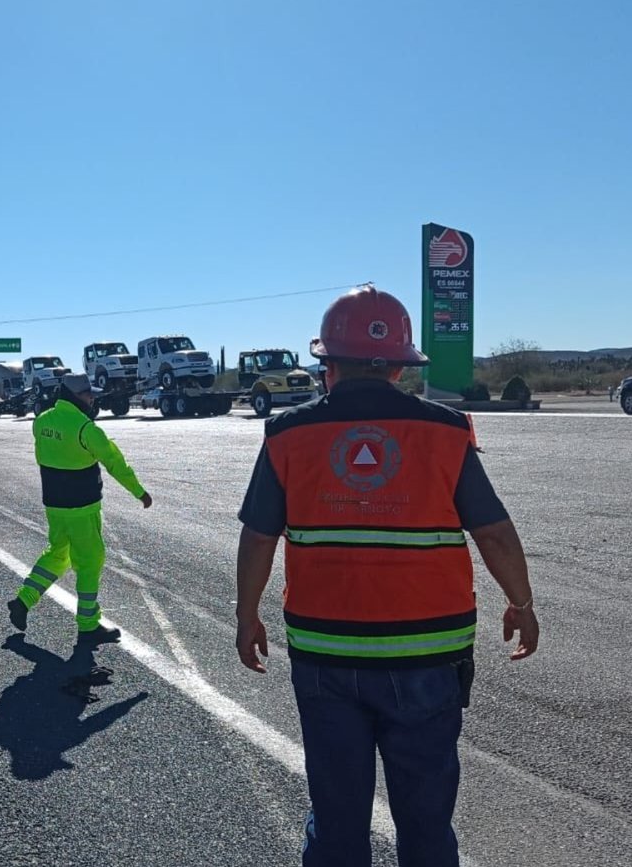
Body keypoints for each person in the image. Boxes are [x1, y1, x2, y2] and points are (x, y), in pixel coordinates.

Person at [234, 284, 539, 867]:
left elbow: (258, 536)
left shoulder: (288, 434)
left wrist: (247, 615)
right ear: (400, 367)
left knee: (338, 815)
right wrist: (520, 602)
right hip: (428, 654)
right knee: (425, 822)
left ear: (327, 365)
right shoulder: (447, 431)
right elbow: (494, 531)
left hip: (326, 655)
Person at [8, 374, 152, 646]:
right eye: (88, 394)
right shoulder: (87, 429)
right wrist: (139, 492)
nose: (93, 398)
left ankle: (23, 600)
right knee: (90, 561)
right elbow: (114, 462)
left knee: (57, 554)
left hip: (54, 506)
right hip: (82, 508)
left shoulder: (42, 421)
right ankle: (88, 625)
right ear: (76, 397)